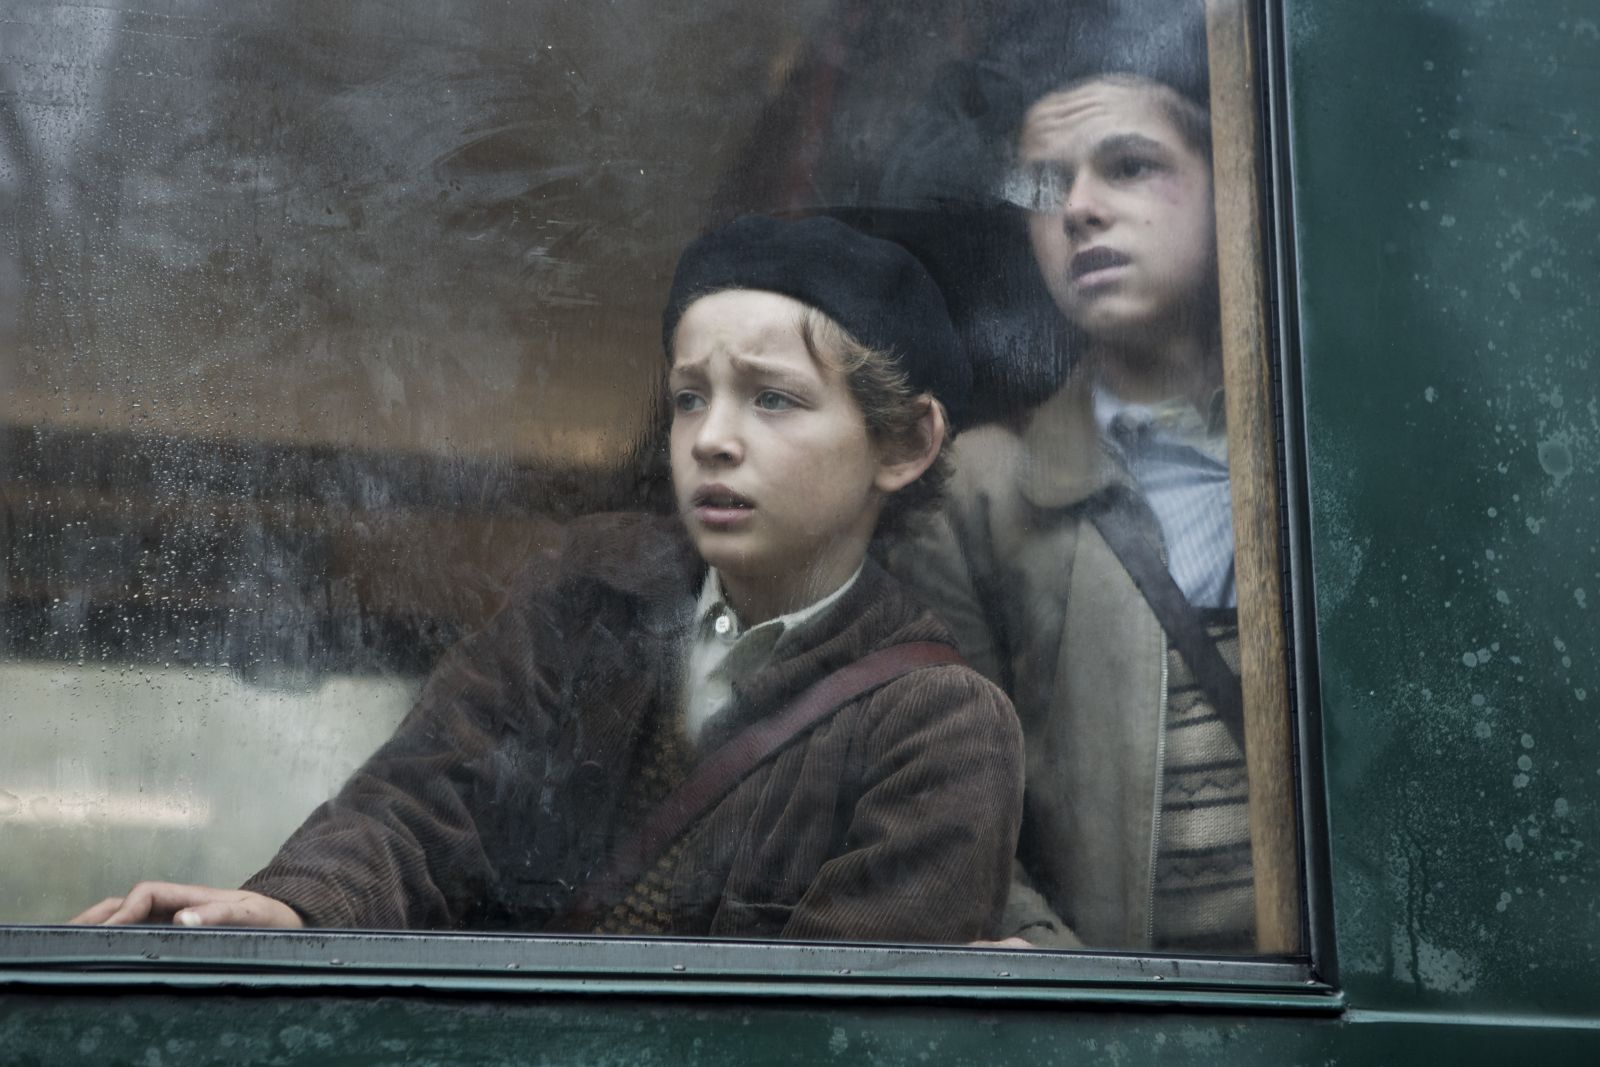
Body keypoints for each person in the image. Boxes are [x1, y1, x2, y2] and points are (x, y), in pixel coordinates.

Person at [72, 215, 1025, 943]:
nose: (712, 439)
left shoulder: (937, 726)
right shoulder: (591, 589)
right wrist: (295, 907)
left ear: (904, 443)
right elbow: (426, 796)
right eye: (690, 397)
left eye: (773, 399)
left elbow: (836, 1036)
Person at [891, 70, 1255, 952]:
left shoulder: (1327, 452)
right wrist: (1055, 966)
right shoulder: (978, 490)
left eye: (1129, 166)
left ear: (1232, 187)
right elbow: (951, 794)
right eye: (1046, 188)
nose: (1080, 209)